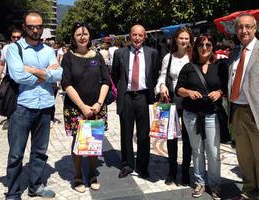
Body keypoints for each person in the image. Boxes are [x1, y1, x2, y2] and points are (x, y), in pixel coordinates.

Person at [5, 11, 63, 200]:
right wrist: (46, 74)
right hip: (21, 107)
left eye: (39, 26)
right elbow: (18, 76)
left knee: (40, 152)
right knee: (16, 153)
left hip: (45, 107)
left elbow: (59, 75)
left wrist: (33, 70)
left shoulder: (48, 51)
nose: (36, 30)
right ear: (24, 27)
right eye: (31, 27)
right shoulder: (14, 49)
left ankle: (35, 186)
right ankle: (13, 193)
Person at [175, 33, 228, 199]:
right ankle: (199, 182)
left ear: (212, 47)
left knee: (213, 152)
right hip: (192, 115)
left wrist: (219, 92)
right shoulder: (188, 67)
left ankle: (215, 184)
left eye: (208, 45)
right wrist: (189, 92)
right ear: (196, 48)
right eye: (201, 45)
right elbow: (178, 89)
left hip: (212, 115)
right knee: (197, 151)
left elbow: (226, 88)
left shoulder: (219, 66)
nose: (204, 48)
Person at [61, 22, 110, 193]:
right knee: (78, 142)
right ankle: (77, 176)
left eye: (85, 34)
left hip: (97, 107)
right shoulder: (68, 57)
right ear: (73, 38)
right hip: (76, 107)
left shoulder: (97, 56)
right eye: (78, 34)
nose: (82, 37)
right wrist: (82, 106)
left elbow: (106, 81)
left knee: (94, 141)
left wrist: (98, 103)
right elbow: (66, 83)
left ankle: (92, 174)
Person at [112, 24, 159, 179]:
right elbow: (115, 75)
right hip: (126, 97)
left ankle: (143, 166)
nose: (137, 38)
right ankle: (127, 165)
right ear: (130, 36)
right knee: (126, 132)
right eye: (134, 35)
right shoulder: (120, 53)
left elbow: (154, 74)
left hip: (144, 97)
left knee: (144, 134)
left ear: (145, 36)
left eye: (140, 35)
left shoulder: (152, 53)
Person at [156, 27, 194, 186]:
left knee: (187, 138)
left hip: (189, 102)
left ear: (190, 40)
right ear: (176, 39)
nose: (184, 41)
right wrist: (162, 85)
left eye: (186, 38)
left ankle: (185, 170)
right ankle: (172, 170)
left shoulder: (193, 57)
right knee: (171, 136)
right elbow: (162, 76)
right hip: (171, 101)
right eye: (181, 38)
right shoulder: (168, 58)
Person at [228, 14, 259, 200]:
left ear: (255, 28)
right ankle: (249, 190)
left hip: (255, 111)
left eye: (248, 27)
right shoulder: (234, 53)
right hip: (237, 111)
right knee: (244, 156)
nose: (244, 31)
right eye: (240, 27)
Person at [0, 28, 22, 130]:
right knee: (8, 99)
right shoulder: (6, 48)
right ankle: (9, 119)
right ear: (11, 37)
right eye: (14, 37)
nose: (15, 39)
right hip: (9, 77)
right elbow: (2, 63)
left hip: (22, 77)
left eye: (18, 37)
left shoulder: (25, 48)